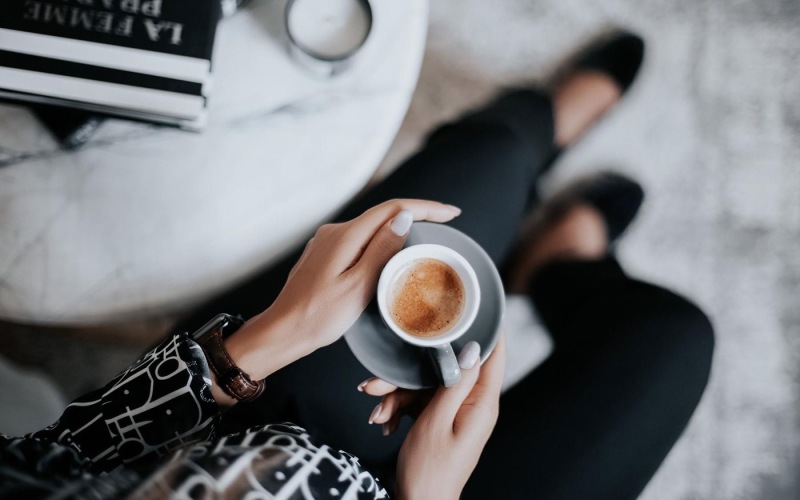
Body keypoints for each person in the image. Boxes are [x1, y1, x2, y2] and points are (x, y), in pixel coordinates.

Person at [0, 32, 714, 499]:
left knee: (483, 168)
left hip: (244, 425)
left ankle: (534, 131)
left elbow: (61, 457)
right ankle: (556, 261)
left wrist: (260, 345)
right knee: (673, 339)